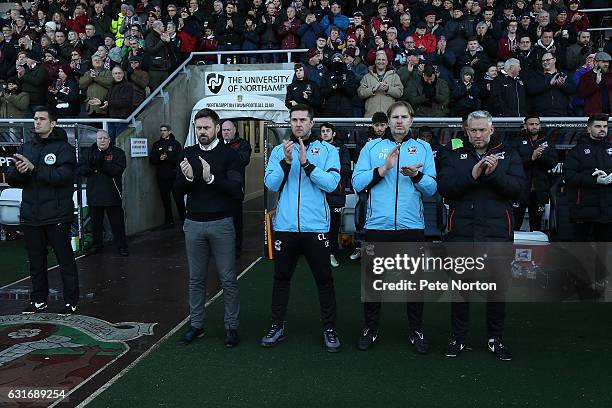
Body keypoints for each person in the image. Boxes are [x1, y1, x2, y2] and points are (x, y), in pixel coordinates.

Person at [437, 110, 525, 361]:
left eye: (482, 130)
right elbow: (445, 188)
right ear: (466, 130)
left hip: (497, 234)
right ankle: (458, 338)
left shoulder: (508, 154)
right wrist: (472, 175)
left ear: (491, 129)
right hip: (462, 235)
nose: (477, 135)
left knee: (496, 291)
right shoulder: (454, 155)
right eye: (472, 130)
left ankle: (495, 339)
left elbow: (518, 190)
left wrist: (494, 174)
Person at [351, 101, 437, 352]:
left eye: (404, 117)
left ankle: (416, 330)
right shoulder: (372, 146)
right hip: (378, 226)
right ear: (388, 121)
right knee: (373, 282)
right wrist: (384, 168)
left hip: (411, 227)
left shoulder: (423, 147)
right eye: (395, 117)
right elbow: (357, 182)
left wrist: (417, 176)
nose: (399, 121)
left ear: (412, 120)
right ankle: (370, 328)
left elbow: (432, 188)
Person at [261, 104, 342, 352]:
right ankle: (277, 325)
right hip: (285, 227)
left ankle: (330, 328)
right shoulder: (279, 150)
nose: (298, 124)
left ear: (311, 122)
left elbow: (331, 183)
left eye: (302, 120)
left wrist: (307, 165)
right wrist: (287, 162)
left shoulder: (327, 150)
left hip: (315, 226)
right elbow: (270, 184)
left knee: (324, 279)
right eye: (294, 120)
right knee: (281, 278)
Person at [175, 108, 242, 347]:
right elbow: (177, 190)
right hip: (193, 224)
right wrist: (189, 178)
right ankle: (196, 325)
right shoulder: (187, 153)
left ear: (216, 128)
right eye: (198, 128)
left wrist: (211, 177)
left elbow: (237, 190)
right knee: (195, 279)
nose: (201, 131)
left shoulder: (229, 155)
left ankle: (231, 327)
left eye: (206, 127)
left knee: (228, 279)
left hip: (221, 224)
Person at [7, 107, 79, 315]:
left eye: (41, 119)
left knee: (65, 259)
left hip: (57, 214)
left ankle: (71, 301)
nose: (37, 122)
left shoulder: (63, 148)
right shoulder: (27, 146)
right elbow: (13, 178)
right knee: (36, 261)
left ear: (53, 123)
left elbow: (62, 178)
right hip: (31, 214)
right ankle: (39, 299)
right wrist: (20, 173)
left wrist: (34, 170)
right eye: (35, 119)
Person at [563, 113, 612, 294]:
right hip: (582, 208)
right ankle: (580, 284)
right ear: (589, 128)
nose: (602, 130)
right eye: (598, 126)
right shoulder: (577, 151)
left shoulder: (611, 148)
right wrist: (594, 180)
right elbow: (568, 176)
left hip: (606, 209)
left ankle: (600, 283)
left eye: (605, 127)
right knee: (581, 248)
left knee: (603, 248)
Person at [77, 130, 128, 256]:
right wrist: (93, 168)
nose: (102, 140)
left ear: (109, 140)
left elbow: (117, 170)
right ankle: (97, 246)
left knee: (117, 224)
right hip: (94, 194)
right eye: (100, 138)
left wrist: (102, 163)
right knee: (96, 224)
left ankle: (122, 246)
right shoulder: (88, 152)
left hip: (112, 194)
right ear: (96, 140)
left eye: (105, 138)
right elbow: (81, 169)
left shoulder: (118, 153)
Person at [513, 115, 558, 231]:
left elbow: (553, 162)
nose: (534, 126)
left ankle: (536, 249)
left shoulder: (547, 141)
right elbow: (512, 163)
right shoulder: (517, 141)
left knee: (536, 225)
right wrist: (531, 157)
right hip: (520, 190)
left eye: (536, 124)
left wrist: (540, 157)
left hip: (539, 190)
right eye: (531, 124)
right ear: (525, 126)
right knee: (515, 223)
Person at [319, 122, 350, 267]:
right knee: (320, 225)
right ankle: (320, 253)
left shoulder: (341, 149)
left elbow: (345, 169)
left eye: (327, 131)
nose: (325, 133)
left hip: (336, 192)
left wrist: (329, 172)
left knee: (333, 225)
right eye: (323, 131)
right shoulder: (316, 148)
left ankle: (331, 253)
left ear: (334, 133)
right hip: (319, 194)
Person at [221, 120, 252, 255]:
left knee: (235, 221)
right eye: (223, 130)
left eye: (228, 130)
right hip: (219, 188)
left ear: (234, 130)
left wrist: (224, 153)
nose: (226, 132)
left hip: (235, 189)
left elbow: (242, 161)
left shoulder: (243, 144)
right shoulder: (217, 144)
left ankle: (236, 249)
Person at [150, 124, 185, 228]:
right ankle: (169, 222)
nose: (162, 132)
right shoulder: (156, 144)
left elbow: (180, 159)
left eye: (164, 130)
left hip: (174, 177)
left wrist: (167, 158)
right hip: (162, 177)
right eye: (161, 130)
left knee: (178, 199)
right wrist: (159, 159)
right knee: (165, 200)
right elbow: (152, 160)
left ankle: (184, 221)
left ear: (169, 132)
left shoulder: (176, 144)